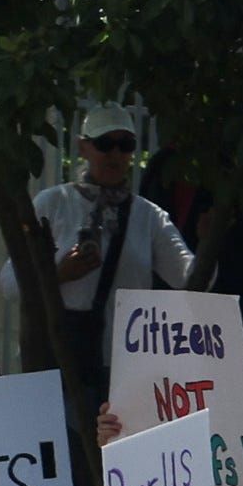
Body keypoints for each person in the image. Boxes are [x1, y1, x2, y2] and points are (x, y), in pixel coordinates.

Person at [34, 112, 190, 329]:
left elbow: (187, 277)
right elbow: (11, 282)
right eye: (104, 143)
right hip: (62, 351)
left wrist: (211, 240)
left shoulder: (148, 216)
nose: (115, 154)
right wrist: (59, 274)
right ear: (83, 147)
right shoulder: (53, 203)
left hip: (124, 354)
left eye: (125, 145)